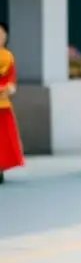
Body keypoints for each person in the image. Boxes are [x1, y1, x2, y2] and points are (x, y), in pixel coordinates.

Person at [0, 23, 25, 184]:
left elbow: (11, 78)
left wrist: (9, 87)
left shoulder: (8, 57)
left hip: (3, 104)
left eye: (2, 35)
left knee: (4, 138)